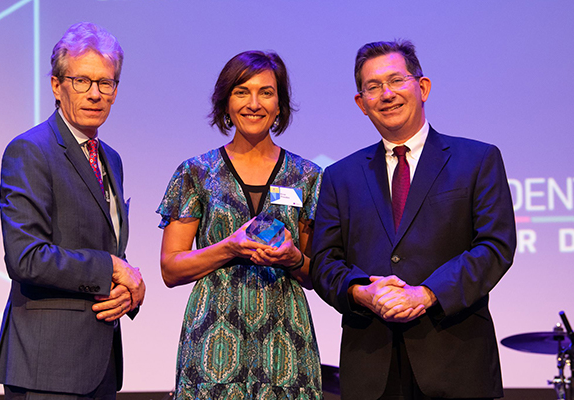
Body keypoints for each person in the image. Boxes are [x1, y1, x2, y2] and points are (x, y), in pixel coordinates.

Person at [310, 40, 517, 400]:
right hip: (371, 368)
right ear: (362, 104)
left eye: (396, 81)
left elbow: (495, 246)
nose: (386, 94)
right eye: (373, 87)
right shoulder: (340, 176)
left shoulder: (477, 159)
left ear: (422, 88)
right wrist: (362, 292)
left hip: (457, 362)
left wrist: (427, 293)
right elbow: (324, 261)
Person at [157, 51, 323, 399]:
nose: (254, 103)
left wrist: (292, 258)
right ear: (225, 103)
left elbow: (315, 274)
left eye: (266, 92)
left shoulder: (307, 176)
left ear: (280, 105)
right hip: (212, 341)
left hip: (286, 341)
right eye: (241, 91)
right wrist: (228, 247)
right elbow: (171, 270)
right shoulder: (196, 173)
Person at [0, 22, 145, 399]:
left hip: (101, 366)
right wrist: (112, 268)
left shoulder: (111, 159)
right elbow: (26, 258)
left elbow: (104, 245)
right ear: (56, 86)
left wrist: (127, 292)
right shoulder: (30, 150)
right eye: (82, 81)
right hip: (47, 369)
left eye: (105, 83)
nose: (95, 94)